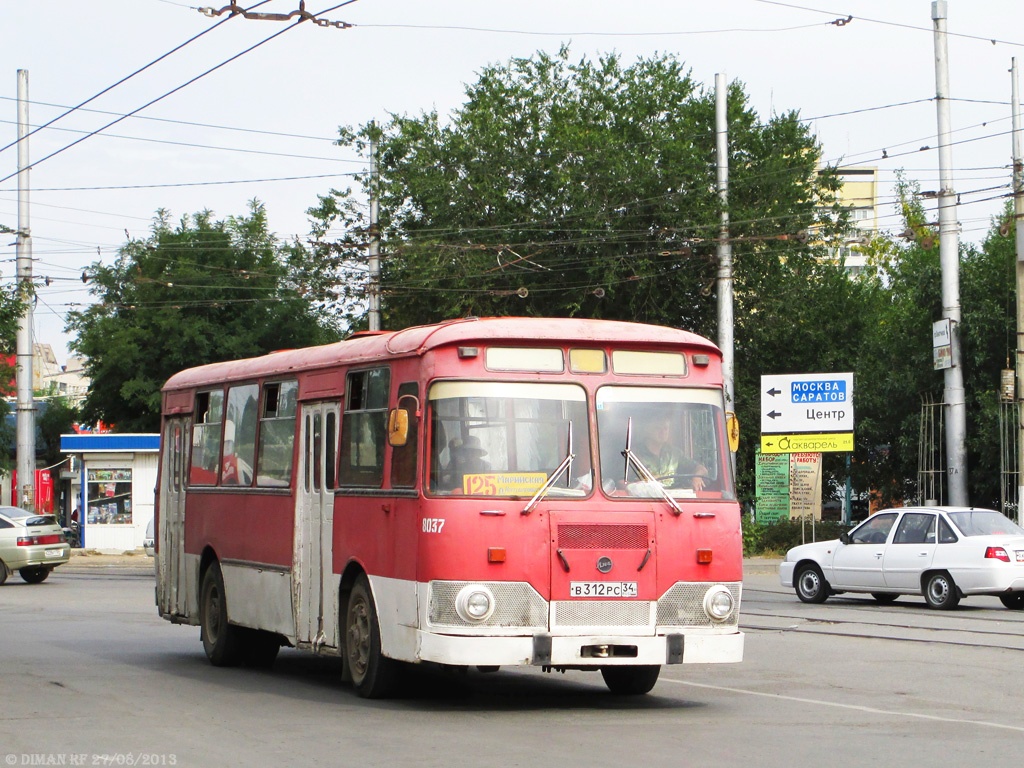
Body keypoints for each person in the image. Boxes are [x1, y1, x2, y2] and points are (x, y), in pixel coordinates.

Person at [633, 418, 708, 492]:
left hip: (672, 499)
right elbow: (622, 483)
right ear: (647, 429)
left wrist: (697, 477)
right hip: (644, 500)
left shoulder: (674, 454)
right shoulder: (633, 454)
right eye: (658, 428)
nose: (663, 432)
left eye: (666, 428)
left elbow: (701, 469)